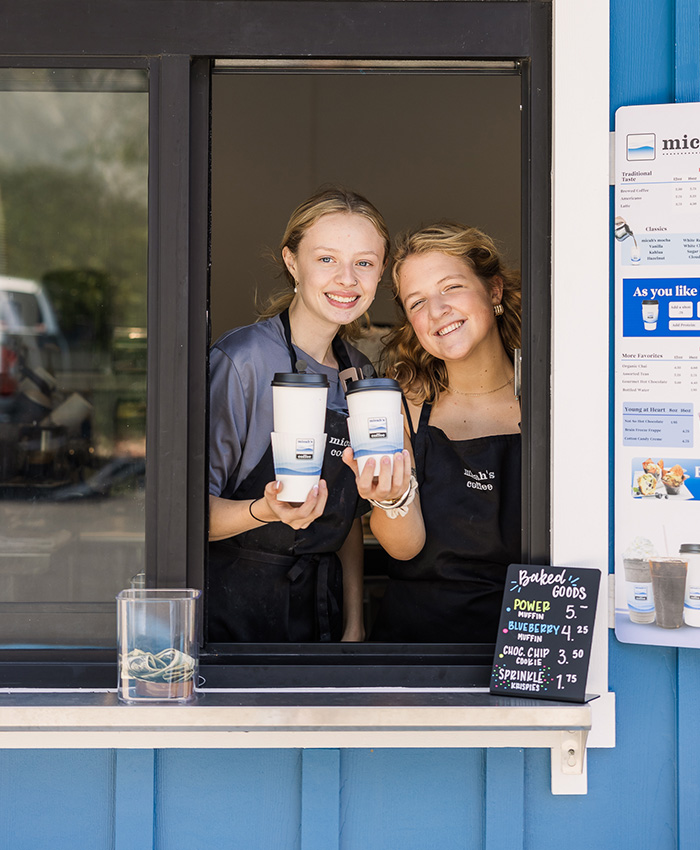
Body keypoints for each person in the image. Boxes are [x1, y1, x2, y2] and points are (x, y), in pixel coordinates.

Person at [207, 187, 412, 643]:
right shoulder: (243, 362)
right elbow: (189, 514)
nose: (347, 279)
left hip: (322, 613)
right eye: (326, 259)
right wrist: (265, 511)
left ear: (381, 273)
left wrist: (354, 624)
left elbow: (347, 518)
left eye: (363, 262)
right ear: (292, 262)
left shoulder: (359, 371)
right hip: (236, 612)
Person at [356, 222, 522, 643]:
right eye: (417, 302)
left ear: (494, 291)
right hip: (420, 648)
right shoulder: (402, 407)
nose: (437, 310)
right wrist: (390, 497)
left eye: (450, 287)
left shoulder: (555, 404)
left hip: (529, 642)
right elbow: (404, 548)